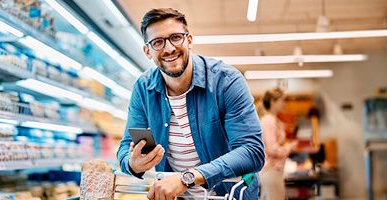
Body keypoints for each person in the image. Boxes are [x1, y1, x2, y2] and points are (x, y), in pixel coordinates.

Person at [116, 8, 265, 200]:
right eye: (158, 42)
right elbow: (126, 146)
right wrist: (132, 164)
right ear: (147, 51)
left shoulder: (227, 81)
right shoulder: (143, 89)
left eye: (176, 37)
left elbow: (252, 151)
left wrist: (186, 178)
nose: (169, 48)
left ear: (189, 40)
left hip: (229, 195)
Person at [257, 88, 297, 200]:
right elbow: (272, 149)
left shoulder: (272, 119)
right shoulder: (269, 120)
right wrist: (289, 147)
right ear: (273, 102)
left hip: (273, 171)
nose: (284, 103)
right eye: (282, 100)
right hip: (271, 170)